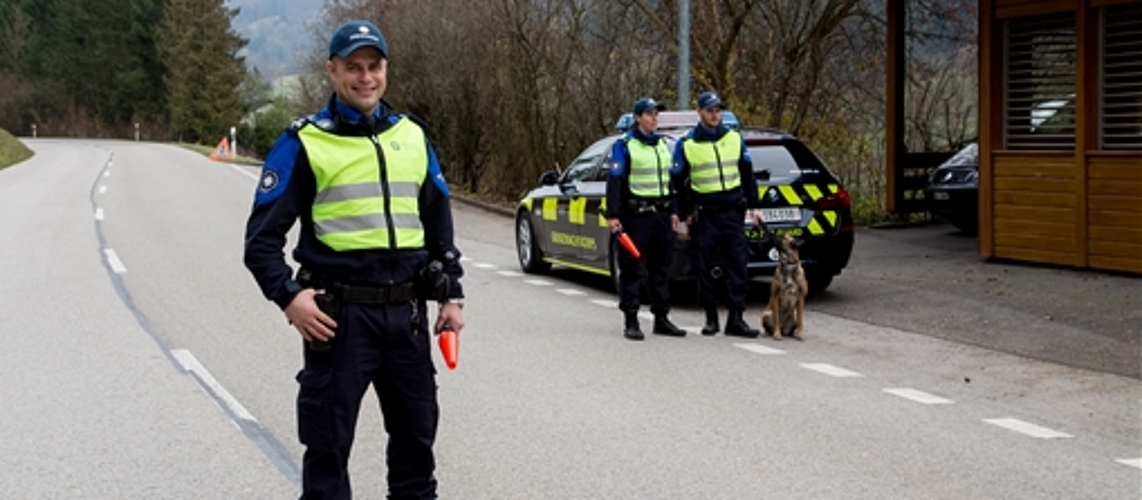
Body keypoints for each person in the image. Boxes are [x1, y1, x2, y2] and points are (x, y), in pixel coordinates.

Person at [243, 19, 464, 500]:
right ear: (332, 71)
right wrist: (289, 297)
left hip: (406, 319)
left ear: (386, 70)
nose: (366, 77)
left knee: (417, 455)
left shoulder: (412, 137)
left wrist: (452, 295)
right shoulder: (304, 142)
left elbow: (438, 225)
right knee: (327, 458)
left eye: (374, 66)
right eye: (353, 67)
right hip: (340, 321)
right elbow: (260, 242)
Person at [672, 90, 762, 338]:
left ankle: (736, 318)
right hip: (704, 215)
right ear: (699, 112)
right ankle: (711, 318)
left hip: (732, 212)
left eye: (718, 110)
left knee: (738, 266)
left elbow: (747, 174)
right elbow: (678, 183)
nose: (714, 115)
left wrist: (755, 207)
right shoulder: (687, 144)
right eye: (710, 110)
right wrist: (680, 215)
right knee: (704, 268)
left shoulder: (734, 138)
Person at [605, 97, 687, 341]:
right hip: (636, 216)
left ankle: (661, 317)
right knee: (632, 269)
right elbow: (615, 181)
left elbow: (671, 182)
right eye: (650, 114)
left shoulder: (662, 145)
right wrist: (613, 215)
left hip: (661, 214)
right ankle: (631, 319)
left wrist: (674, 211)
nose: (654, 118)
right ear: (638, 118)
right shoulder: (625, 145)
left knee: (661, 269)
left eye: (656, 114)